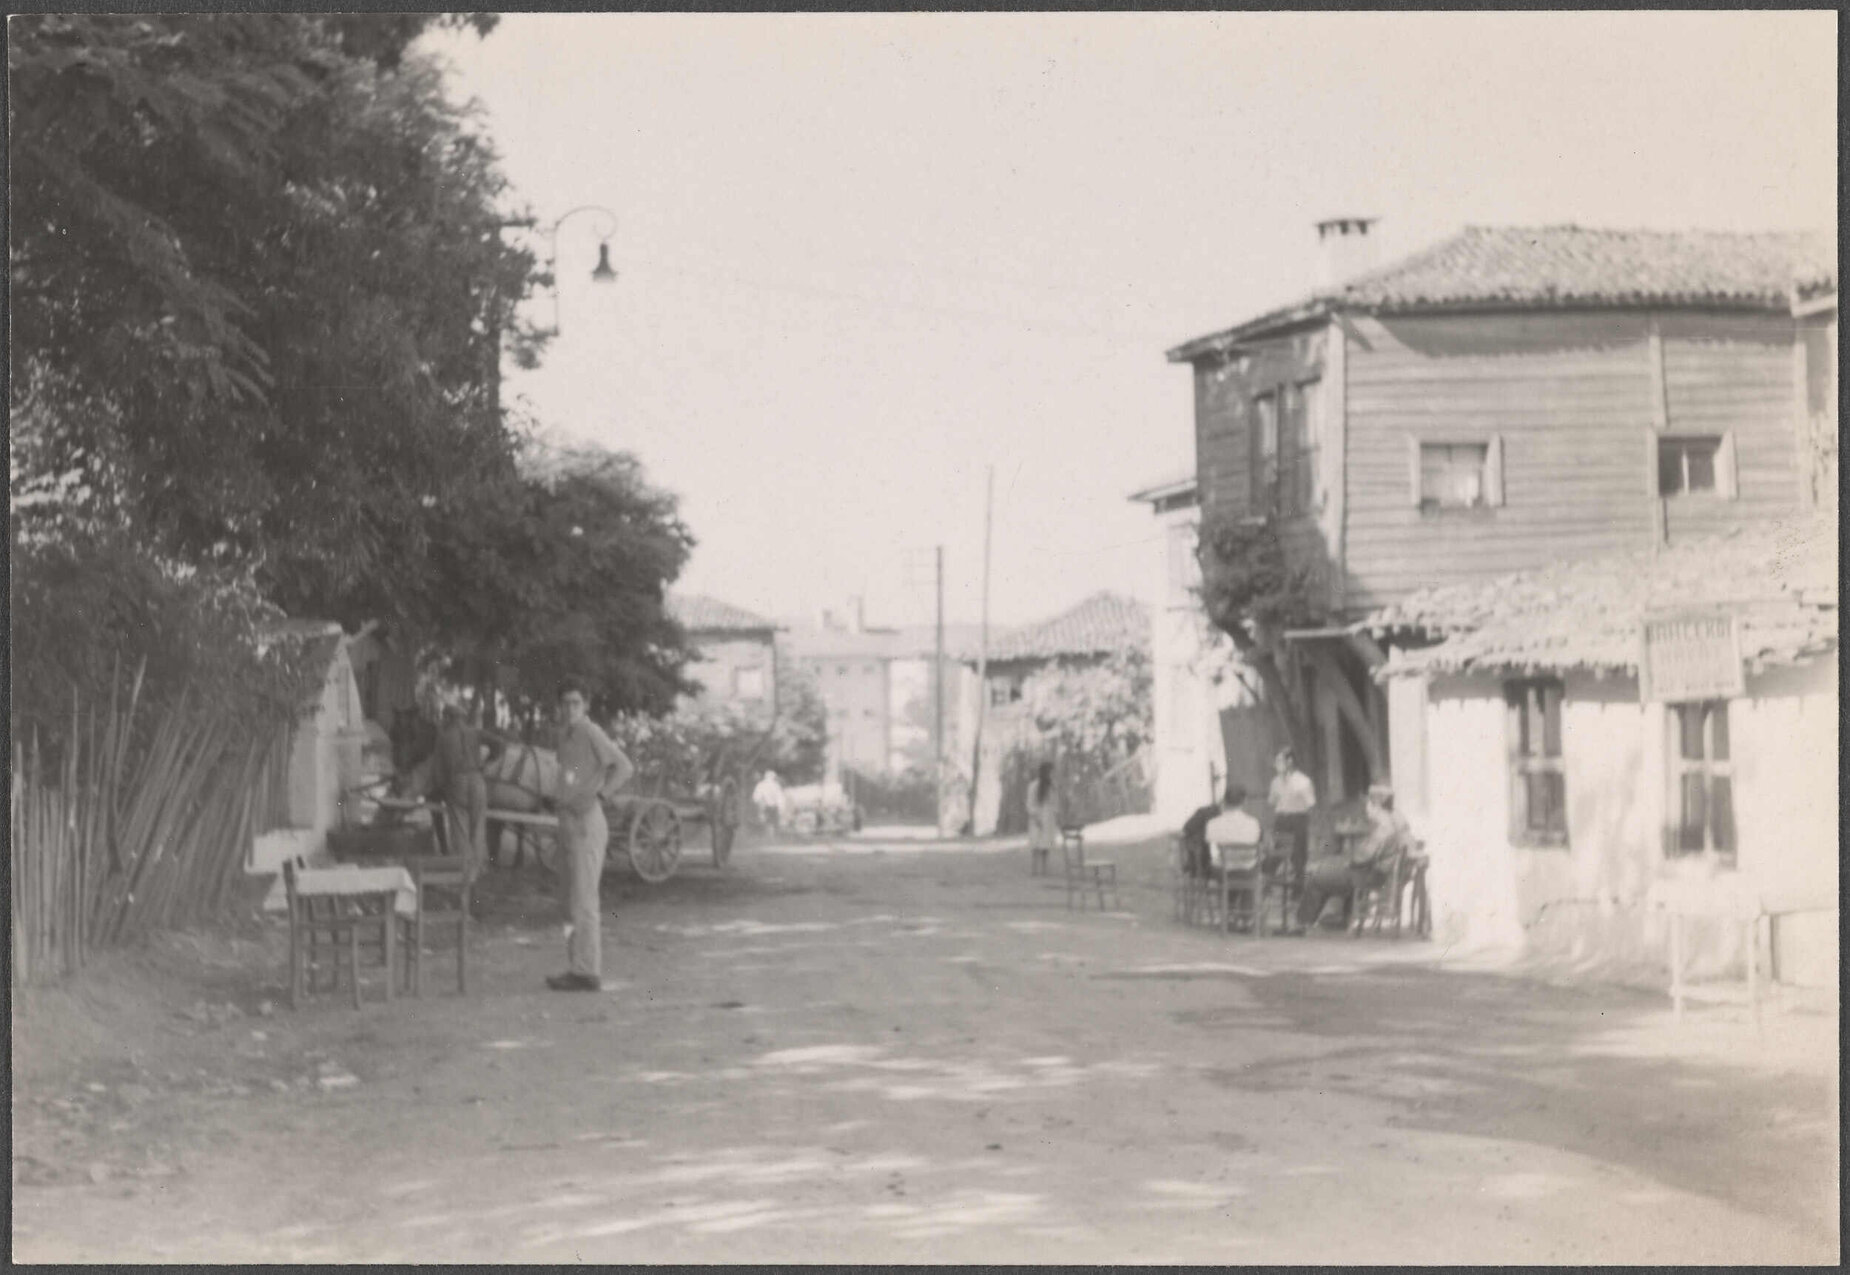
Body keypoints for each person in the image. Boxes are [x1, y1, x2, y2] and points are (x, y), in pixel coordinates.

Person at [546, 682, 634, 993]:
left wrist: (601, 793)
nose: (570, 709)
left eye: (575, 703)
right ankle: (575, 967)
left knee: (584, 901)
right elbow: (569, 776)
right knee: (568, 902)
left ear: (585, 705)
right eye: (565, 703)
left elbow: (623, 767)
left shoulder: (590, 731)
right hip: (567, 822)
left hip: (586, 822)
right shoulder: (565, 737)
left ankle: (588, 971)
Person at [1296, 781, 1410, 931]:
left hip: (1369, 875)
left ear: (1375, 806)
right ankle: (1341, 918)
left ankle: (1302, 924)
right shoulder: (1394, 822)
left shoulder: (1383, 828)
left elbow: (1361, 859)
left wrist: (1345, 861)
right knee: (1331, 870)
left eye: (1368, 804)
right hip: (1375, 873)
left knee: (1316, 877)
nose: (1366, 809)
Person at [427, 704, 504, 879]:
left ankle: (465, 871)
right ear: (462, 718)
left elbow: (438, 773)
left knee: (460, 827)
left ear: (448, 718)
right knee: (478, 826)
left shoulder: (443, 737)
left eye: (443, 717)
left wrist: (441, 788)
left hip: (458, 783)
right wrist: (487, 762)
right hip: (478, 781)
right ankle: (478, 869)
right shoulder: (475, 733)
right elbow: (500, 744)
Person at [1267, 747, 1317, 923]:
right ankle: (1266, 886)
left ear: (1290, 762)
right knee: (1275, 854)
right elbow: (1272, 801)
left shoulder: (1303, 781)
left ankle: (1297, 892)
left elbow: (1310, 804)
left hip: (1298, 819)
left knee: (1299, 857)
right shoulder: (1275, 782)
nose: (1276, 765)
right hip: (1281, 819)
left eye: (1279, 761)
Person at [1203, 783, 1263, 869]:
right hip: (1248, 873)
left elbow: (1209, 843)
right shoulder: (1253, 823)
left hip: (1222, 872)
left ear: (1223, 801)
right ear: (1245, 801)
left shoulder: (1212, 823)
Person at [1025, 760, 1060, 875]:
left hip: (1048, 818)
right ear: (1045, 772)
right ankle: (1034, 869)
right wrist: (1035, 817)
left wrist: (1055, 814)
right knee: (1036, 843)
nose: (1052, 775)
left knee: (1046, 844)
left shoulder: (1052, 787)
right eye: (1050, 772)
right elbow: (1030, 804)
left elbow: (1055, 803)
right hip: (1037, 817)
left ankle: (1044, 869)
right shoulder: (1034, 786)